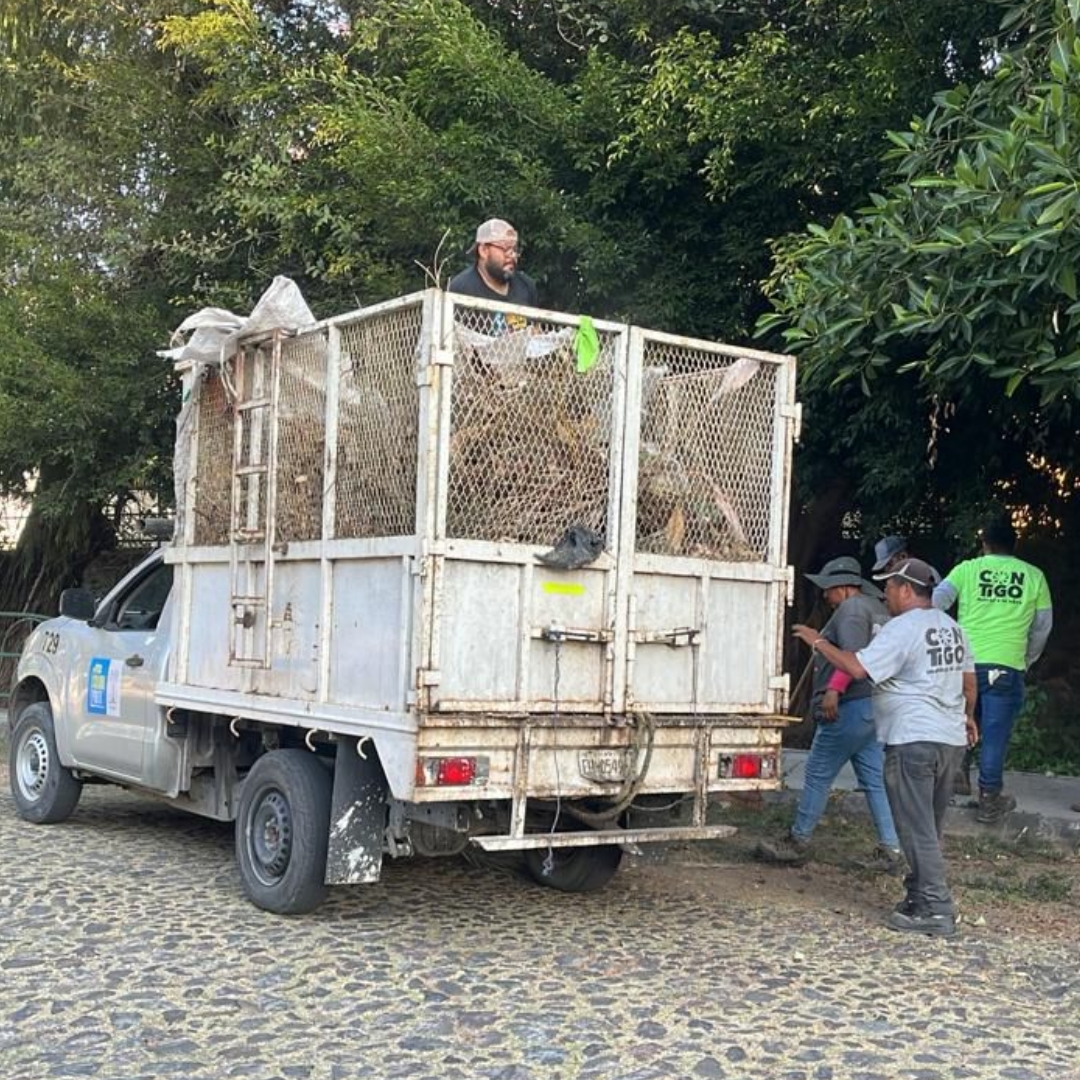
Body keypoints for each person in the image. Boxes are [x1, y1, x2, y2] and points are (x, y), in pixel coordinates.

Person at [794, 558, 978, 937]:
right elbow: (969, 683)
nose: (885, 594)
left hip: (913, 739)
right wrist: (968, 716)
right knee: (927, 826)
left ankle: (937, 909)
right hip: (949, 740)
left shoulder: (903, 628)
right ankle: (919, 897)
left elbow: (857, 668)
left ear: (907, 590)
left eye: (890, 587)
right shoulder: (952, 628)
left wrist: (819, 642)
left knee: (914, 827)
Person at [757, 556, 900, 871]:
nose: (825, 595)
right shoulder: (878, 608)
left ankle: (798, 841)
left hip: (849, 706)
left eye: (829, 588)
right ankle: (891, 847)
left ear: (845, 587)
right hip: (874, 706)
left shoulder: (852, 609)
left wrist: (834, 689)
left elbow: (853, 657)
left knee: (817, 774)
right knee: (874, 780)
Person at [933, 517, 1052, 823]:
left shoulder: (967, 569)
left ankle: (957, 776)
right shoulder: (1034, 576)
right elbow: (1042, 626)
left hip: (964, 663)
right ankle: (989, 799)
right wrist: (1027, 658)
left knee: (962, 718)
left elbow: (935, 603)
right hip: (1006, 664)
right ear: (1014, 545)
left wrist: (949, 642)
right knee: (995, 733)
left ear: (984, 544)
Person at [447, 218, 539, 310]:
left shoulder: (526, 286)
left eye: (514, 249)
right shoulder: (462, 289)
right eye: (506, 248)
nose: (512, 255)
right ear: (483, 251)